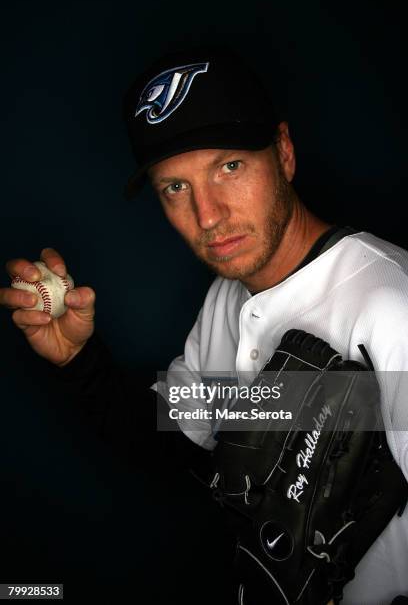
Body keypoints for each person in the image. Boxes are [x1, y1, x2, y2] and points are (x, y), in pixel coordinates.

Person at [1, 47, 408, 604]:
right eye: (176, 187)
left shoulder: (391, 304)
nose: (208, 215)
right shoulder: (227, 297)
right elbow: (173, 441)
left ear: (284, 153)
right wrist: (77, 360)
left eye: (229, 166)